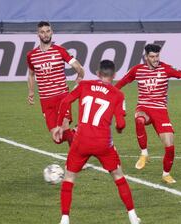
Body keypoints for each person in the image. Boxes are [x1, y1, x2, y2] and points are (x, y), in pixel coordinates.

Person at [115, 44, 181, 184]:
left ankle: (166, 174)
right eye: (152, 56)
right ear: (146, 57)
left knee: (170, 146)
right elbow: (121, 83)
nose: (155, 59)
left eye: (157, 56)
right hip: (144, 107)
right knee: (139, 120)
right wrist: (106, 93)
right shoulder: (137, 70)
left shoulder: (166, 69)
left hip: (160, 111)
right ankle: (144, 153)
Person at [53, 60, 140, 224]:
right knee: (118, 176)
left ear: (98, 73)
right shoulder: (118, 94)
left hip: (81, 140)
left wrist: (59, 125)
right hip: (103, 143)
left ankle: (64, 218)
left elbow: (65, 102)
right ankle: (133, 216)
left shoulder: (84, 85)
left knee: (69, 177)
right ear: (114, 75)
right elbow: (121, 124)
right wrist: (119, 128)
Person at [27, 21, 84, 146]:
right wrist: (31, 92)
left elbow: (79, 67)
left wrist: (79, 76)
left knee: (64, 128)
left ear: (52, 32)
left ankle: (75, 161)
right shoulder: (31, 55)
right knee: (57, 138)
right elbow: (31, 74)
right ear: (38, 34)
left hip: (62, 97)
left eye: (48, 31)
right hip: (46, 100)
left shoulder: (60, 51)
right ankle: (79, 131)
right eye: (42, 32)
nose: (45, 34)